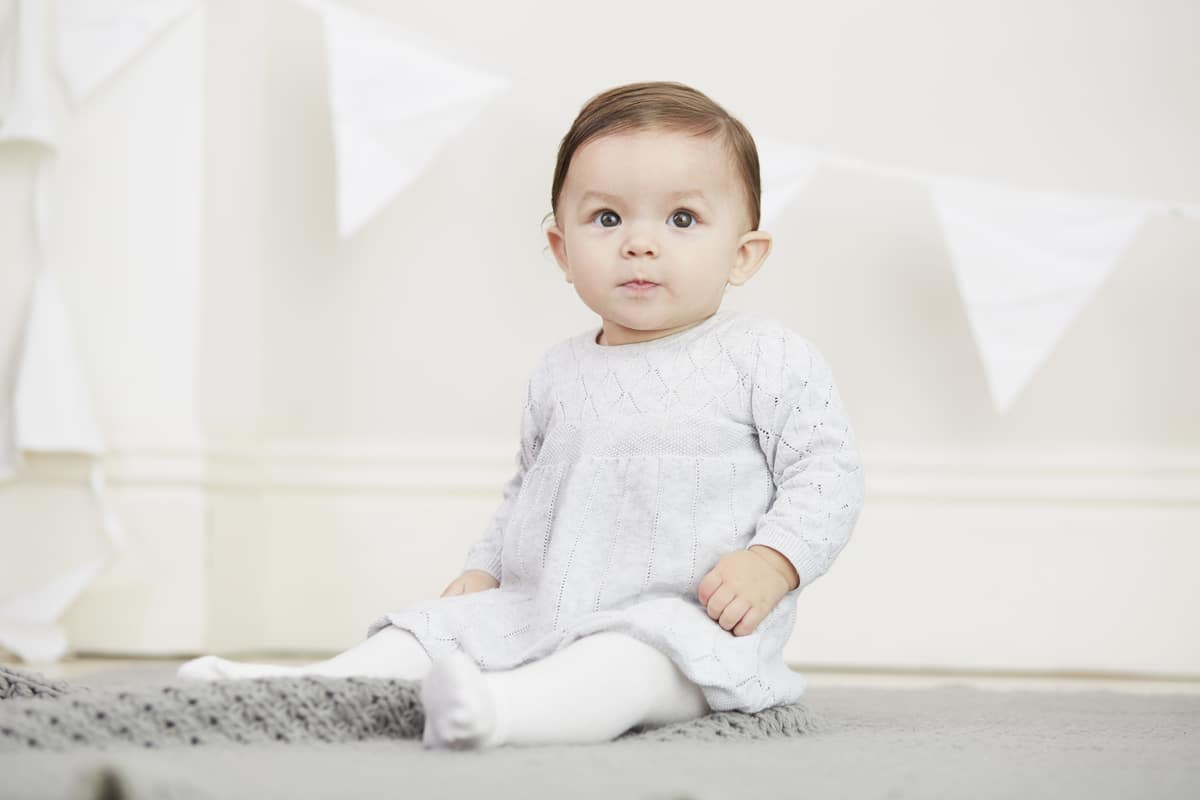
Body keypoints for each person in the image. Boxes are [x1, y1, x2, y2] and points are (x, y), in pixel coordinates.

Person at [178, 80, 866, 750]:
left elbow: (827, 476)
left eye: (681, 219)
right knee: (428, 630)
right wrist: (485, 568)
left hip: (689, 626)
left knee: (622, 667)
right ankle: (305, 687)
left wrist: (773, 562)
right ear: (563, 250)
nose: (640, 243)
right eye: (607, 218)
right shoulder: (559, 372)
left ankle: (499, 712)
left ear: (744, 255)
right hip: (544, 604)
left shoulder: (763, 356)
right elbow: (527, 492)